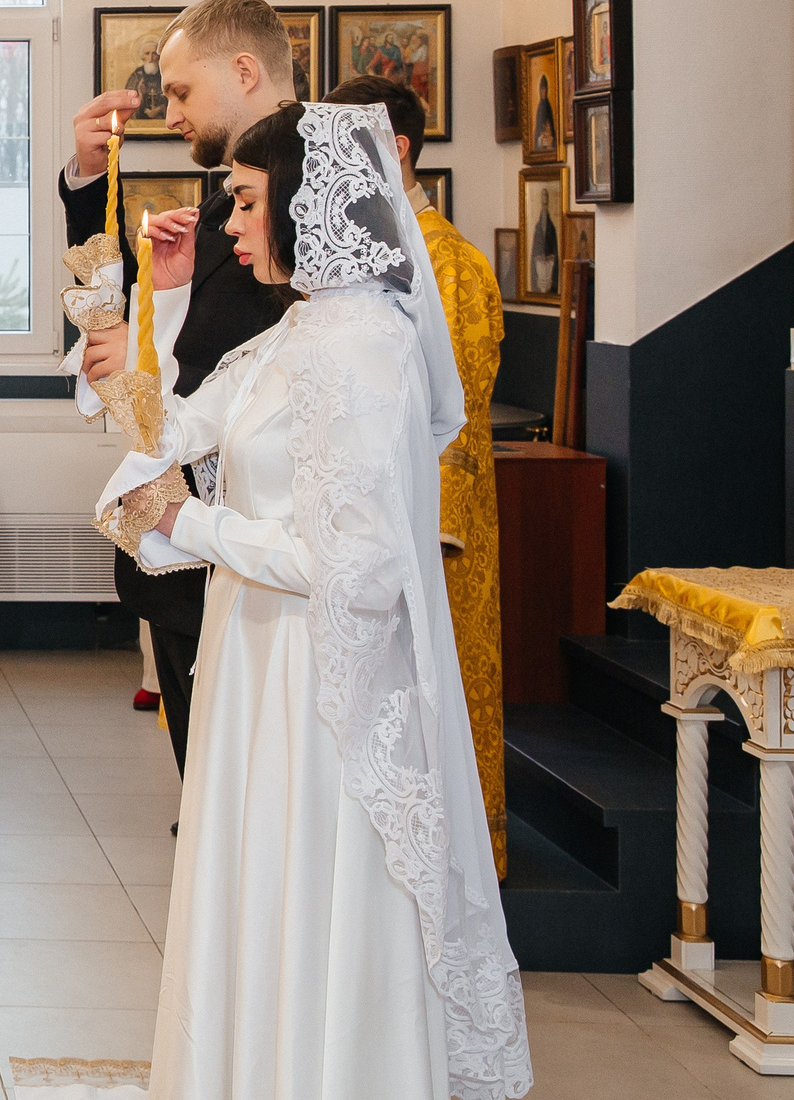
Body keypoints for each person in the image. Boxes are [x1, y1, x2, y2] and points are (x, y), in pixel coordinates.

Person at [99, 101, 530, 1100]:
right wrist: (160, 304)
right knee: (259, 904)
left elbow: (360, 569)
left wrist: (191, 526)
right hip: (261, 657)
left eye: (245, 202)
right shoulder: (301, 330)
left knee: (311, 904)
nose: (233, 226)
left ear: (304, 199)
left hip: (319, 685)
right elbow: (170, 433)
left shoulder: (361, 348)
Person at [64, 0, 299, 775]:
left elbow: (229, 380)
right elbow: (138, 336)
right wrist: (90, 179)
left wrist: (137, 363)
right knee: (205, 793)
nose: (170, 113)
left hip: (263, 557)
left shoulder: (310, 214)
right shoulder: (217, 212)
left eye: (181, 92)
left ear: (244, 70)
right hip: (179, 556)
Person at [329, 76, 507, 873]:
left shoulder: (453, 265)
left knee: (442, 695)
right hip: (372, 524)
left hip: (433, 527)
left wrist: (424, 527)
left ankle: (461, 861)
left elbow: (452, 418)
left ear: (395, 148)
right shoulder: (364, 250)